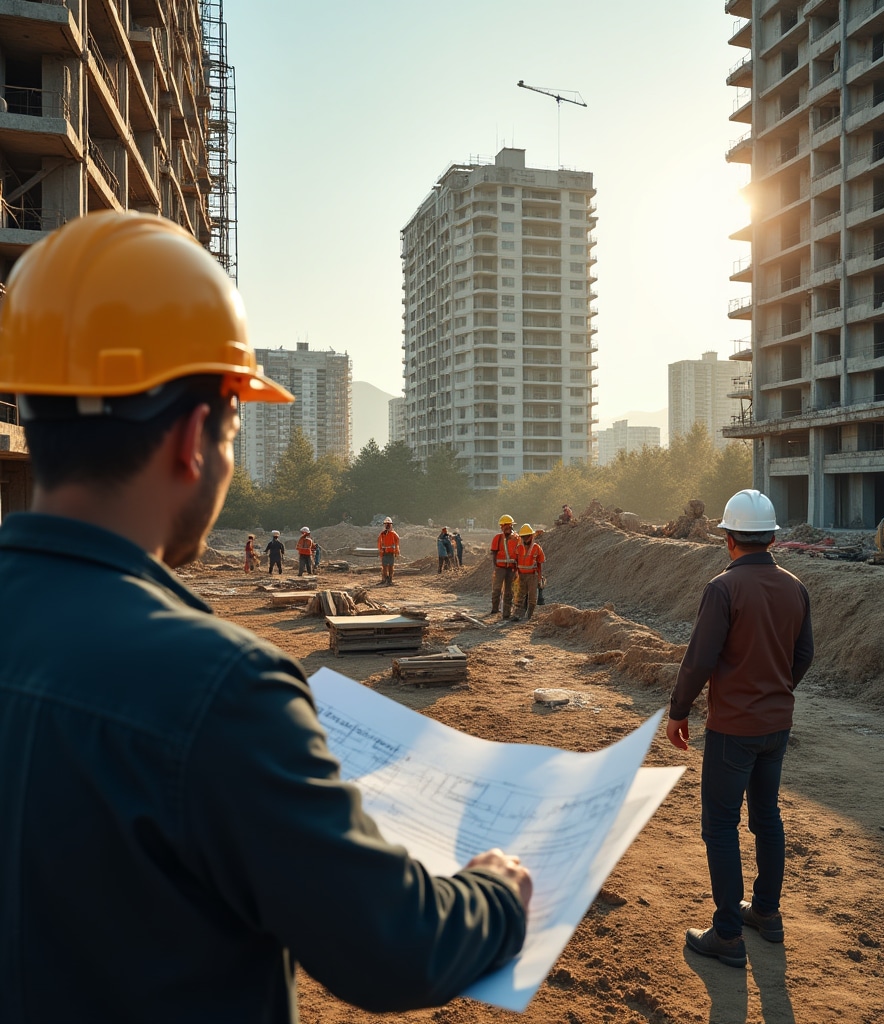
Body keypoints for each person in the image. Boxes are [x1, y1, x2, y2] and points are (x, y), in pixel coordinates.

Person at [0, 211, 531, 1022]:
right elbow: (395, 950)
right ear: (192, 437)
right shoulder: (216, 689)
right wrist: (494, 895)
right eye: (235, 425)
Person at [665, 489, 813, 969]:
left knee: (721, 827)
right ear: (772, 538)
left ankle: (727, 934)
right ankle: (766, 913)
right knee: (766, 817)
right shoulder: (795, 586)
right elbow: (804, 655)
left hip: (733, 730)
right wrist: (775, 690)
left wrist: (679, 710)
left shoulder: (723, 589)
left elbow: (700, 659)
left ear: (728, 539)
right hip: (777, 726)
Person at [511, 524, 545, 621]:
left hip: (532, 576)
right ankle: (518, 615)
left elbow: (539, 563)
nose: (525, 539)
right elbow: (515, 562)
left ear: (531, 536)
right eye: (523, 537)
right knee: (520, 597)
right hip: (521, 575)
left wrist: (539, 577)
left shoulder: (536, 548)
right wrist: (515, 574)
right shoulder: (519, 548)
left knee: (532, 598)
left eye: (526, 536)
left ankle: (529, 617)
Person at [489, 513, 520, 618]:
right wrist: (495, 567)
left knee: (509, 591)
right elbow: (494, 553)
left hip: (511, 568)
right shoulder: (497, 538)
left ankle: (506, 613)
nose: (508, 527)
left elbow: (519, 554)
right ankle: (495, 609)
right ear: (502, 527)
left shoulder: (517, 539)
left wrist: (517, 570)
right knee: (497, 588)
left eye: (510, 525)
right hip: (500, 567)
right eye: (506, 525)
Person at [377, 515, 400, 586]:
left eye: (389, 524)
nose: (387, 525)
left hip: (391, 552)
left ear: (391, 525)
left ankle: (390, 580)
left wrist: (397, 550)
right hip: (384, 553)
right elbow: (379, 543)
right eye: (386, 524)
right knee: (384, 567)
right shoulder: (382, 534)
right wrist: (380, 551)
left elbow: (397, 541)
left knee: (390, 567)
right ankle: (384, 579)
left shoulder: (393, 534)